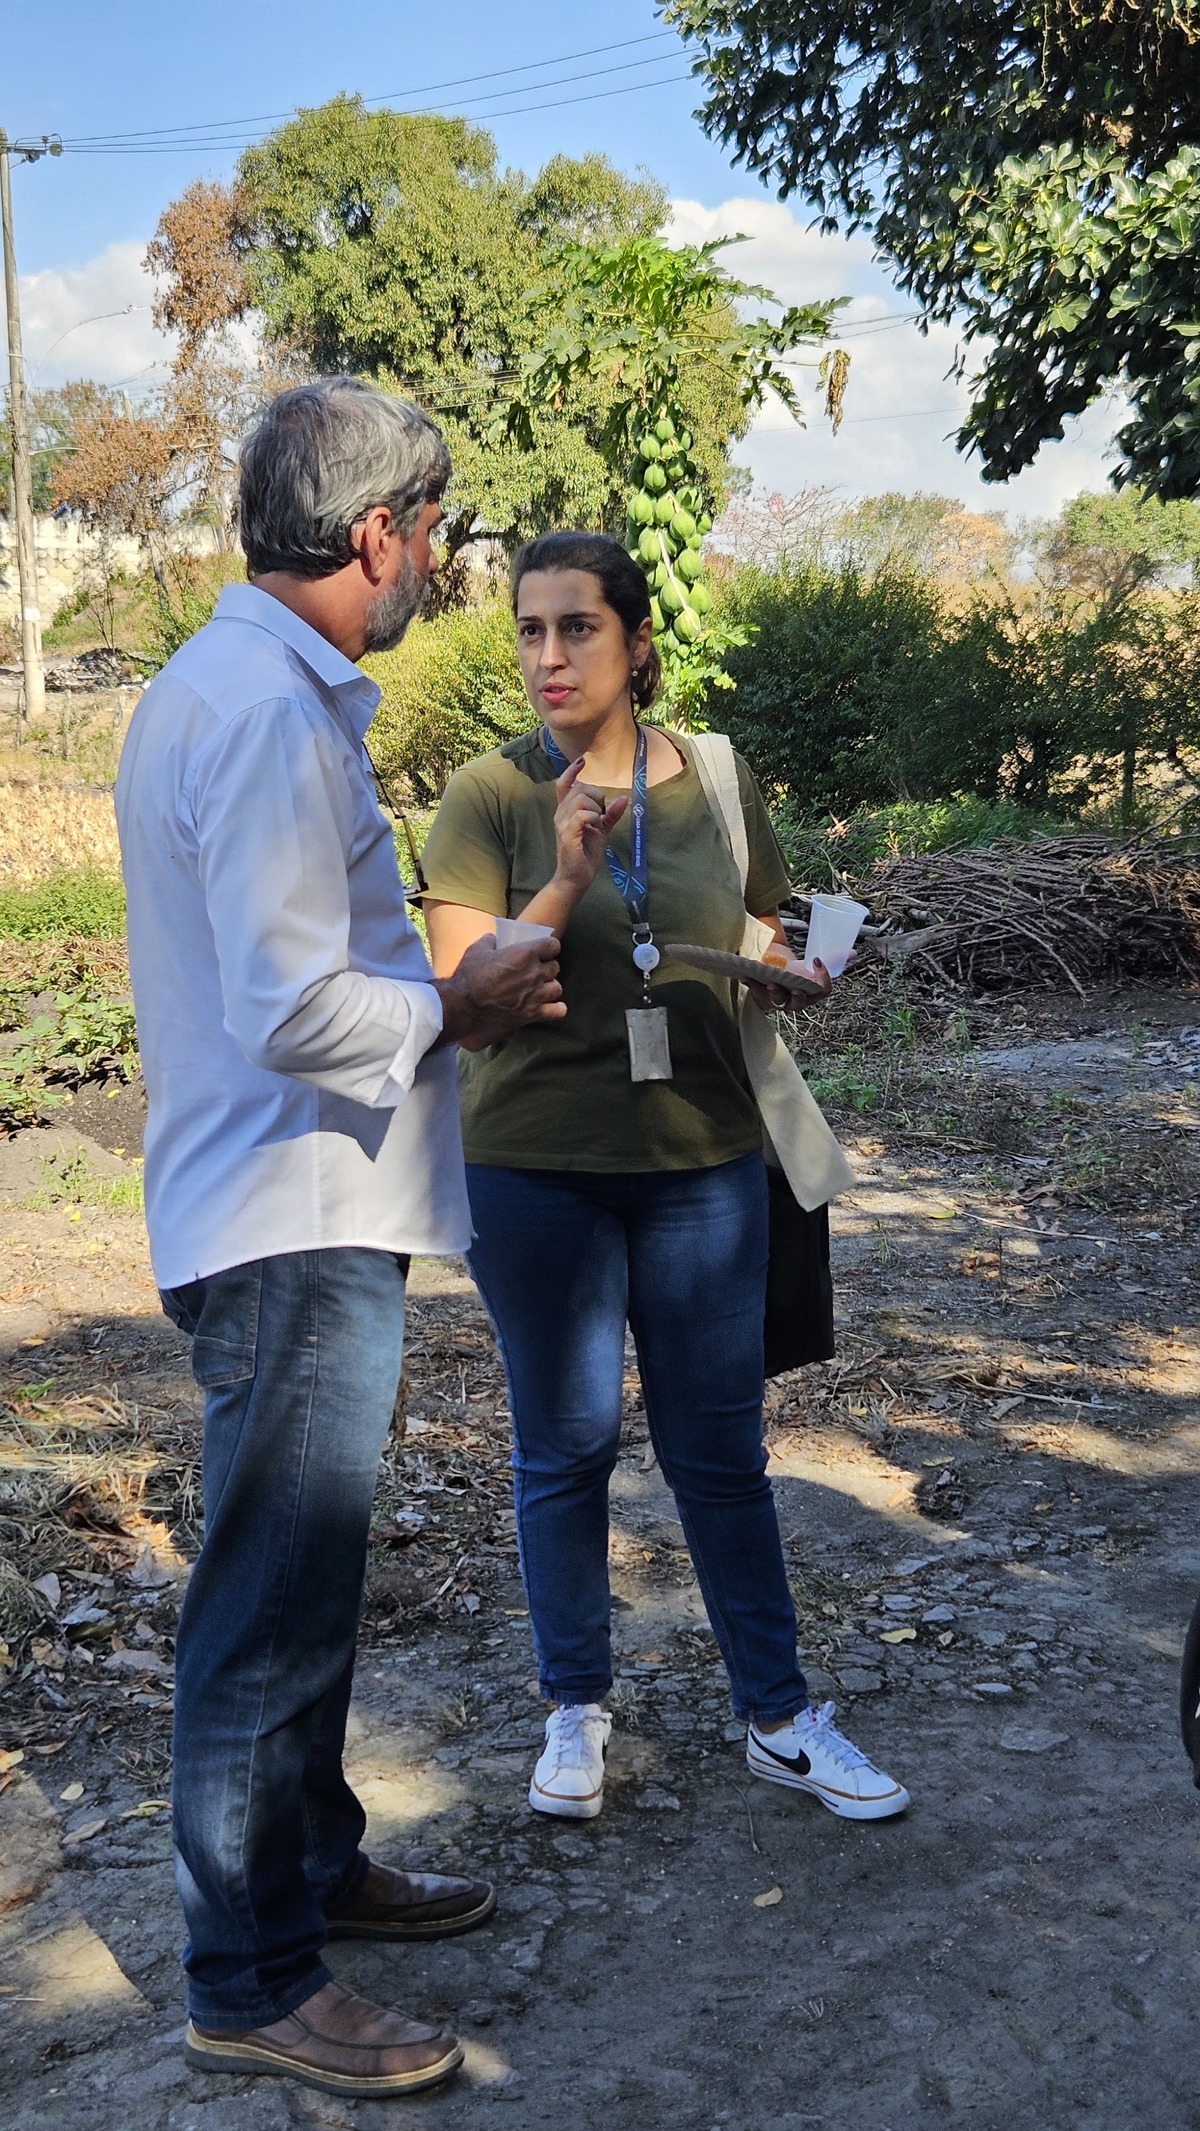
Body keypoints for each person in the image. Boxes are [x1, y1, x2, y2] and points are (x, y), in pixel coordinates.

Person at [115, 378, 565, 2102]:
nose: (439, 562)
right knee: (269, 1603)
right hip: (287, 1219)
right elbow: (295, 1004)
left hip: (289, 1206)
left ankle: (307, 1868)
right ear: (378, 534)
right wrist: (462, 1001)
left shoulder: (230, 687)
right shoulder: (265, 714)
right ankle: (248, 1977)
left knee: (300, 1585)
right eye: (435, 532)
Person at [421, 531, 909, 1827]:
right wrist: (569, 875)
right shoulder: (488, 795)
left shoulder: (720, 780)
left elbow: (758, 920)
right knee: (565, 1448)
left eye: (576, 627)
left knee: (720, 1452)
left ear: (637, 644)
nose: (548, 655)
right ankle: (574, 1706)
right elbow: (465, 994)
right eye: (529, 630)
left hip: (705, 1162)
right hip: (536, 1169)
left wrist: (789, 966)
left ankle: (781, 1719)